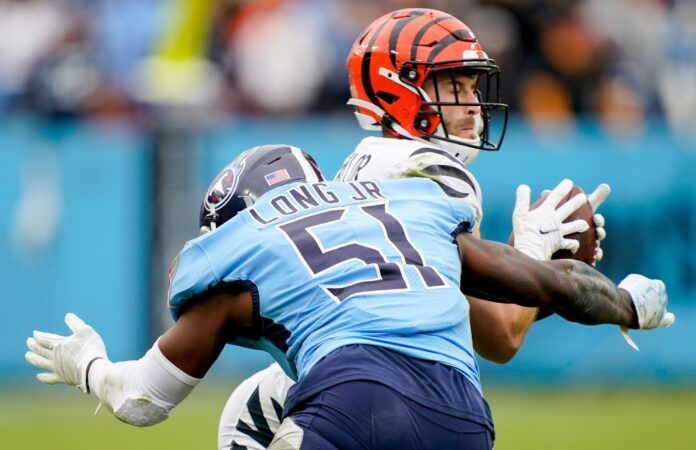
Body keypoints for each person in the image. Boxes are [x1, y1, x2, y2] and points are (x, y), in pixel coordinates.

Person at [26, 145, 673, 450]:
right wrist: (629, 304)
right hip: (467, 421)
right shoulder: (408, 207)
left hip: (353, 401)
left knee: (255, 408)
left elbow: (142, 400)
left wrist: (87, 366)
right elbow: (554, 285)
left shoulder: (242, 249)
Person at [217, 8, 614, 449]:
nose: (471, 104)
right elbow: (500, 335)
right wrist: (535, 256)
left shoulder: (366, 160)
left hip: (331, 375)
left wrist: (527, 269)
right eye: (451, 85)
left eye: (471, 86)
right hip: (384, 388)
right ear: (396, 87)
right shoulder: (428, 170)